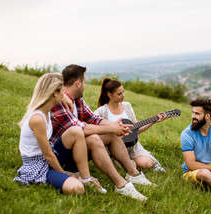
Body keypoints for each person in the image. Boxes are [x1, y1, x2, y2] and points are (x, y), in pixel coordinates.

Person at [50, 64, 152, 201]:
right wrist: (111, 128)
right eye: (85, 82)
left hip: (75, 151)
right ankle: (122, 185)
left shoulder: (78, 101)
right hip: (57, 155)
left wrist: (117, 126)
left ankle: (133, 174)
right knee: (94, 139)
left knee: (111, 134)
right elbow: (80, 128)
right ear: (78, 83)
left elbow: (93, 119)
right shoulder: (59, 101)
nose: (85, 86)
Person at [14, 73, 106, 195]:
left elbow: (54, 93)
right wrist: (62, 175)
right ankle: (69, 176)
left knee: (76, 131)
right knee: (77, 189)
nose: (65, 94)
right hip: (38, 165)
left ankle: (86, 178)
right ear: (54, 93)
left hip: (50, 155)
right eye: (62, 91)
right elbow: (48, 156)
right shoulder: (38, 119)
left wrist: (63, 97)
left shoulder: (46, 110)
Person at [94, 78, 167, 172]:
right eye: (119, 94)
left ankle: (147, 161)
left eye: (123, 92)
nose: (123, 96)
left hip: (133, 147)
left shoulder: (127, 106)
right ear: (110, 95)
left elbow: (137, 129)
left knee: (146, 163)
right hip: (116, 150)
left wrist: (153, 121)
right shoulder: (102, 111)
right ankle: (127, 163)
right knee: (127, 166)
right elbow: (91, 126)